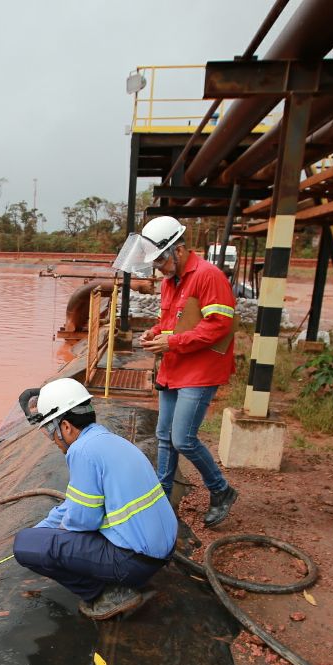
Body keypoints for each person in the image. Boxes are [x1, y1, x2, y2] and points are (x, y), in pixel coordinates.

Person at [13, 378, 177, 620]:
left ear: (66, 426)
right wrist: (44, 529)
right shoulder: (107, 441)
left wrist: (42, 542)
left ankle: (104, 593)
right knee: (37, 537)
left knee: (24, 545)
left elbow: (83, 521)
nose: (54, 441)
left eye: (51, 432)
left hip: (135, 563)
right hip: (160, 551)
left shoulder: (81, 451)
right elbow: (75, 502)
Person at [134, 216, 239, 528]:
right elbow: (170, 323)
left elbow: (220, 326)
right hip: (174, 366)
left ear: (178, 251)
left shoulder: (208, 276)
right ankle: (161, 496)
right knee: (164, 436)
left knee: (183, 438)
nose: (158, 269)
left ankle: (222, 490)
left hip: (201, 370)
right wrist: (154, 333)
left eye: (161, 261)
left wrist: (174, 341)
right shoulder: (170, 282)